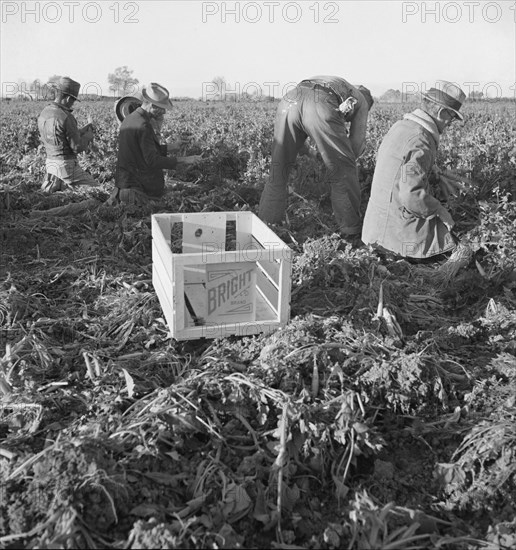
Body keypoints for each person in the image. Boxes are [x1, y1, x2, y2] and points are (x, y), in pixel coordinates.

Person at [258, 76, 374, 241]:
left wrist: (315, 154)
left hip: (290, 100)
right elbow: (354, 149)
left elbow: (299, 142)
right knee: (343, 174)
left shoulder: (341, 86)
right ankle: (351, 232)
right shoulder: (361, 101)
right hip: (320, 104)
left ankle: (265, 229)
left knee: (278, 173)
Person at [361, 80, 466, 260]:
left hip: (373, 229)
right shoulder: (421, 141)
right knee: (454, 246)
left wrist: (435, 171)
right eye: (452, 117)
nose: (451, 122)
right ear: (442, 112)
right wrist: (439, 209)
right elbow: (411, 196)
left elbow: (400, 164)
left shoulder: (401, 126)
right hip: (395, 239)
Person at [109, 82, 201, 206]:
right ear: (152, 105)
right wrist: (186, 160)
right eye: (162, 108)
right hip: (135, 192)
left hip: (126, 189)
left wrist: (174, 146)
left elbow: (142, 151)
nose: (164, 112)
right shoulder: (143, 125)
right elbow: (152, 160)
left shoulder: (131, 118)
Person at [38, 76, 97, 193]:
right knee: (97, 190)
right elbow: (77, 147)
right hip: (66, 166)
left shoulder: (44, 112)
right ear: (68, 98)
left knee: (61, 194)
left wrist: (84, 129)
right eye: (73, 100)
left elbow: (60, 136)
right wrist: (88, 136)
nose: (73, 104)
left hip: (50, 164)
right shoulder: (66, 117)